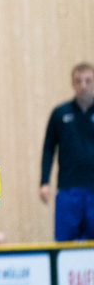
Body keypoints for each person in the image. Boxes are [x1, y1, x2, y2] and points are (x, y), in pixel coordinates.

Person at [39, 62, 94, 241]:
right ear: (72, 84)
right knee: (65, 243)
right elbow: (48, 149)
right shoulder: (60, 114)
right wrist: (44, 181)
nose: (83, 85)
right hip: (69, 191)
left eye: (88, 81)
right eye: (78, 81)